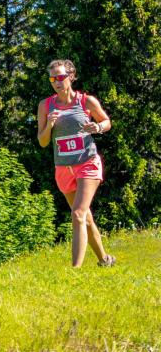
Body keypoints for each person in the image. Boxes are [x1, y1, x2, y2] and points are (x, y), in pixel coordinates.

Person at [37, 59, 116, 268]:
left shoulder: (85, 101)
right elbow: (43, 141)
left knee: (78, 214)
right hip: (63, 168)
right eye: (53, 78)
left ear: (70, 76)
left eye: (61, 77)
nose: (57, 81)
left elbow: (106, 121)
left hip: (87, 163)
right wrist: (50, 125)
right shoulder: (46, 106)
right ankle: (105, 260)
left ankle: (75, 271)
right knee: (85, 219)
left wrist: (97, 128)